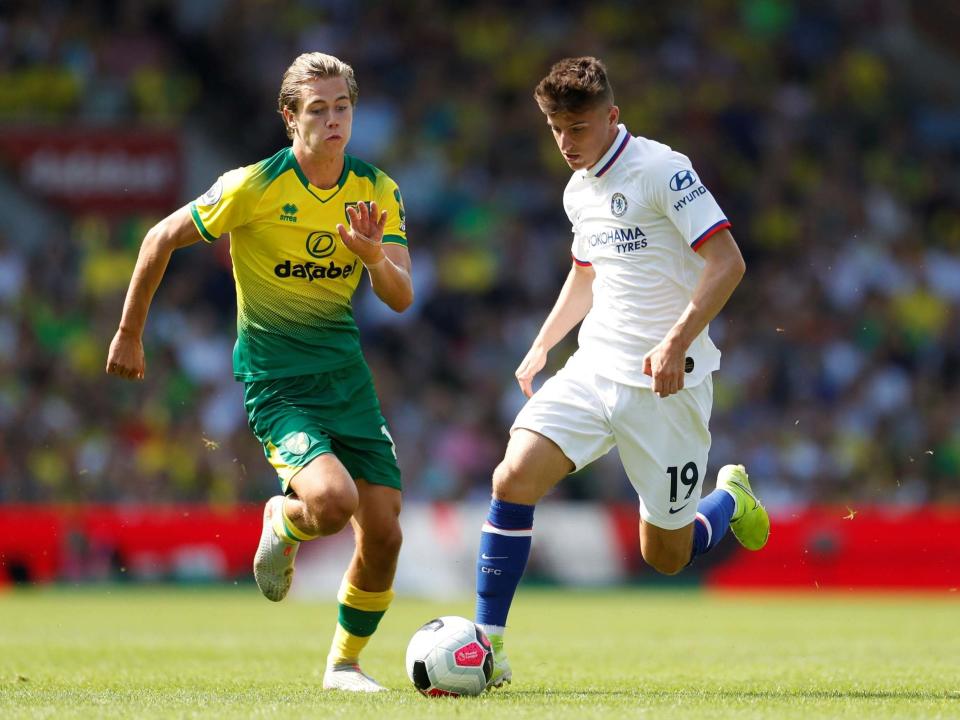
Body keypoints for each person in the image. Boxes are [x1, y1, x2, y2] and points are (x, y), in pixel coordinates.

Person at [107, 52, 412, 693]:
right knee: (332, 504)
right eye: (318, 109)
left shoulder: (377, 189)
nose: (333, 120)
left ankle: (344, 667)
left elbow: (401, 295)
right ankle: (285, 519)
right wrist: (130, 332)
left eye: (342, 107)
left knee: (383, 533)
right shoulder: (253, 186)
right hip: (278, 383)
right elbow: (159, 238)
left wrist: (373, 257)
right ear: (289, 118)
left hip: (346, 379)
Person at [474, 56, 769, 688]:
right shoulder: (576, 191)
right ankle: (487, 646)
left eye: (577, 127)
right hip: (594, 367)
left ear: (612, 116)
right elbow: (586, 274)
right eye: (554, 127)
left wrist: (673, 342)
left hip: (668, 383)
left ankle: (729, 498)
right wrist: (543, 345)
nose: (565, 142)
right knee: (512, 476)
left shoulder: (664, 170)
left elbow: (728, 263)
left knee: (665, 555)